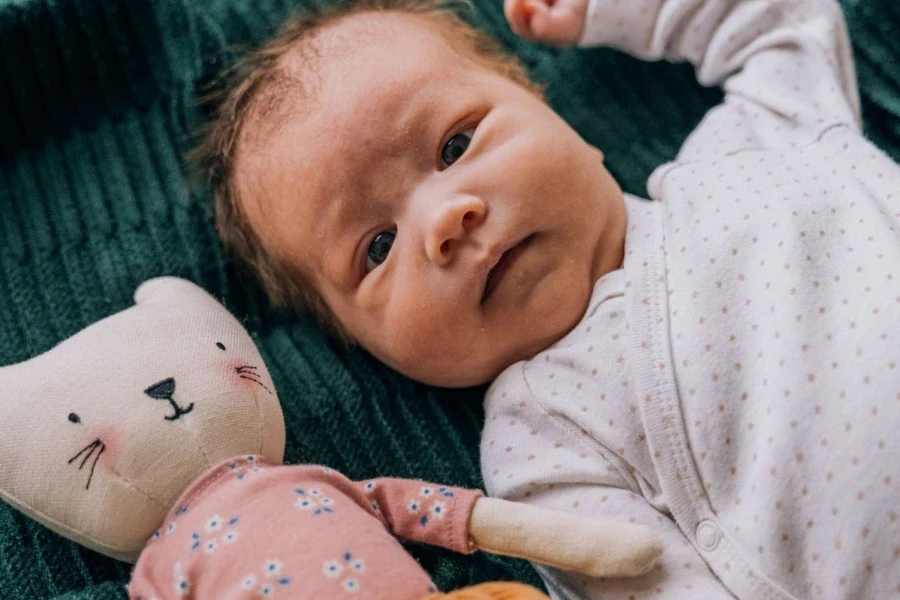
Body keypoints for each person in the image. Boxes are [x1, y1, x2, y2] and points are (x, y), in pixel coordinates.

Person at [193, 0, 900, 597]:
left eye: (456, 144)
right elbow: (648, 578)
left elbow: (785, 20)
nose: (445, 218)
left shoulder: (748, 148)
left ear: (543, 105)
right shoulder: (542, 441)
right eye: (377, 247)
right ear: (361, 345)